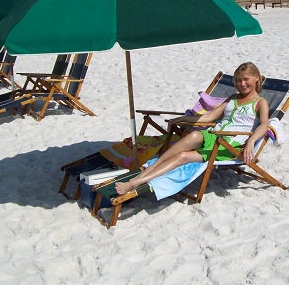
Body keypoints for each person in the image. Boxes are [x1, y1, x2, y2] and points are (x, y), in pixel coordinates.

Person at [115, 62, 269, 195]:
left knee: (182, 156)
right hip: (214, 135)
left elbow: (264, 125)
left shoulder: (260, 102)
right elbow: (209, 117)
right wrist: (182, 119)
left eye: (246, 79)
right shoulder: (233, 98)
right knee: (194, 136)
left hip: (229, 145)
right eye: (239, 80)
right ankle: (146, 172)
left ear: (256, 78)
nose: (242, 84)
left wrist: (252, 140)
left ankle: (136, 182)